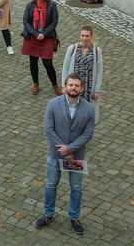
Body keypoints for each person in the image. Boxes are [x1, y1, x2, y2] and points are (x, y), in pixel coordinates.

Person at [34, 73, 96, 235]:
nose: (73, 88)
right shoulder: (53, 104)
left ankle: (74, 217)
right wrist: (63, 149)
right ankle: (48, 214)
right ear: (65, 87)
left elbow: (88, 134)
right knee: (51, 185)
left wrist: (69, 149)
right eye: (71, 85)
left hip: (76, 155)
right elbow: (49, 129)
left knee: (76, 187)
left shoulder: (89, 109)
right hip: (55, 154)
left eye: (76, 85)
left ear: (82, 89)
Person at [21, 0, 61, 96]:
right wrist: (35, 34)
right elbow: (25, 21)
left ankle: (55, 85)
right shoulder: (30, 5)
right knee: (33, 61)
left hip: (46, 37)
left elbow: (54, 22)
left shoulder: (52, 5)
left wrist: (44, 34)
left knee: (47, 63)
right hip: (32, 37)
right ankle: (36, 84)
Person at [61, 26, 103, 104]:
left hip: (89, 88)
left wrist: (97, 90)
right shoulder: (72, 48)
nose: (84, 38)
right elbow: (65, 68)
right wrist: (64, 86)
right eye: (82, 35)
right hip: (74, 87)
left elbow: (99, 72)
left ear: (91, 36)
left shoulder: (97, 51)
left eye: (87, 36)